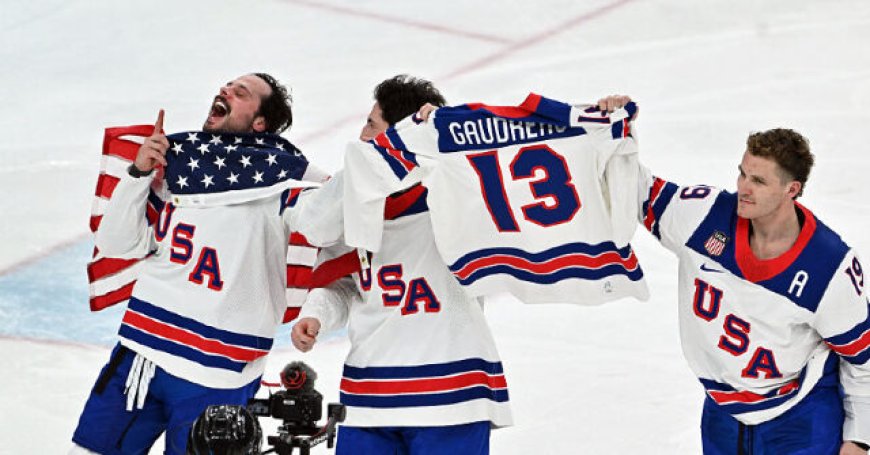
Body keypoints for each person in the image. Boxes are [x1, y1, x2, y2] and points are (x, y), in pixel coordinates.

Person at [70, 73, 327, 455]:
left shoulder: (285, 181)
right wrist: (139, 173)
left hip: (218, 374)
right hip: (146, 354)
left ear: (260, 124)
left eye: (240, 93)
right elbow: (116, 243)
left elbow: (330, 218)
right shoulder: (181, 163)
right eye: (227, 86)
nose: (225, 91)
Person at [598, 96, 870, 454]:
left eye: (758, 180)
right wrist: (614, 131)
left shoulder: (828, 267)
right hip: (722, 410)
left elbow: (863, 359)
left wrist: (859, 441)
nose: (743, 187)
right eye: (742, 173)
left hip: (801, 416)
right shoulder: (704, 216)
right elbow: (636, 192)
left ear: (792, 189)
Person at [291, 75, 513, 455]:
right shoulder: (351, 204)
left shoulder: (453, 195)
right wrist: (318, 314)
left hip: (451, 392)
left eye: (372, 125)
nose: (361, 136)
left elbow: (512, 163)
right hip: (369, 393)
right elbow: (322, 244)